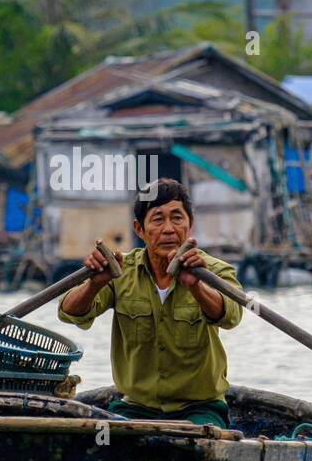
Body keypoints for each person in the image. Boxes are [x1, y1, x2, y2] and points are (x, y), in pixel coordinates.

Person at [58, 177, 243, 428]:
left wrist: (195, 285)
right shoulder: (121, 271)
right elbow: (68, 312)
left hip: (199, 410)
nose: (168, 229)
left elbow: (231, 314)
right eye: (158, 219)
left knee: (197, 445)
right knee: (107, 445)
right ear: (139, 229)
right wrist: (95, 283)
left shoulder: (213, 270)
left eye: (177, 218)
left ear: (189, 225)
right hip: (134, 408)